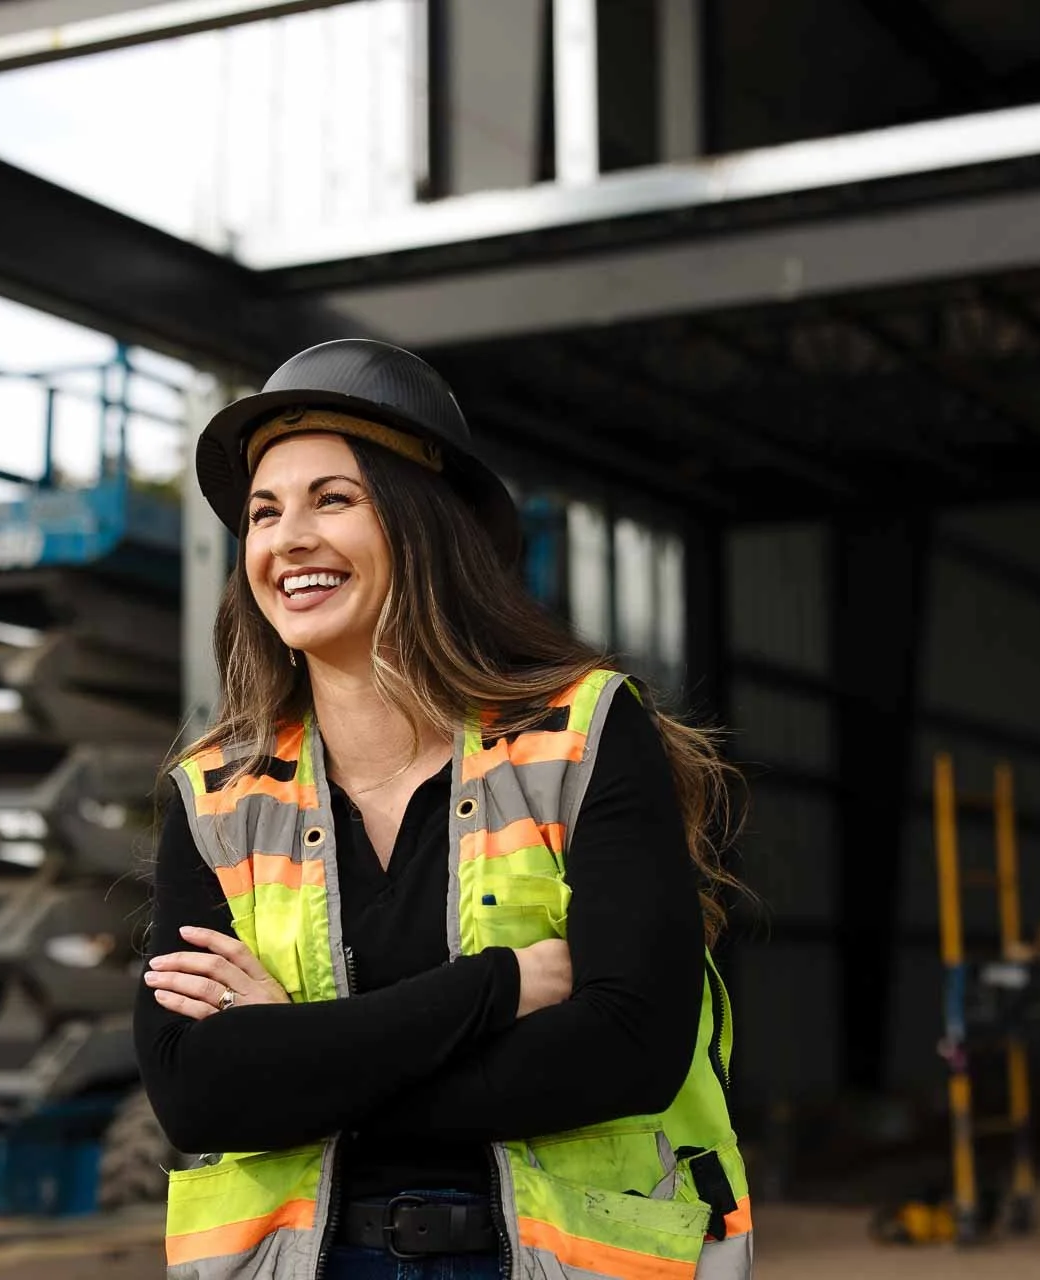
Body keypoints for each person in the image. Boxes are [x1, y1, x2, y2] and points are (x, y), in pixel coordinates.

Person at [135, 338, 752, 1280]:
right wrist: (496, 989)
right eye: (265, 512)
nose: (287, 538)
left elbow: (630, 1049)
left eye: (333, 499)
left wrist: (298, 1066)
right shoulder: (219, 794)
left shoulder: (581, 735)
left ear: (428, 526)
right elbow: (198, 1094)